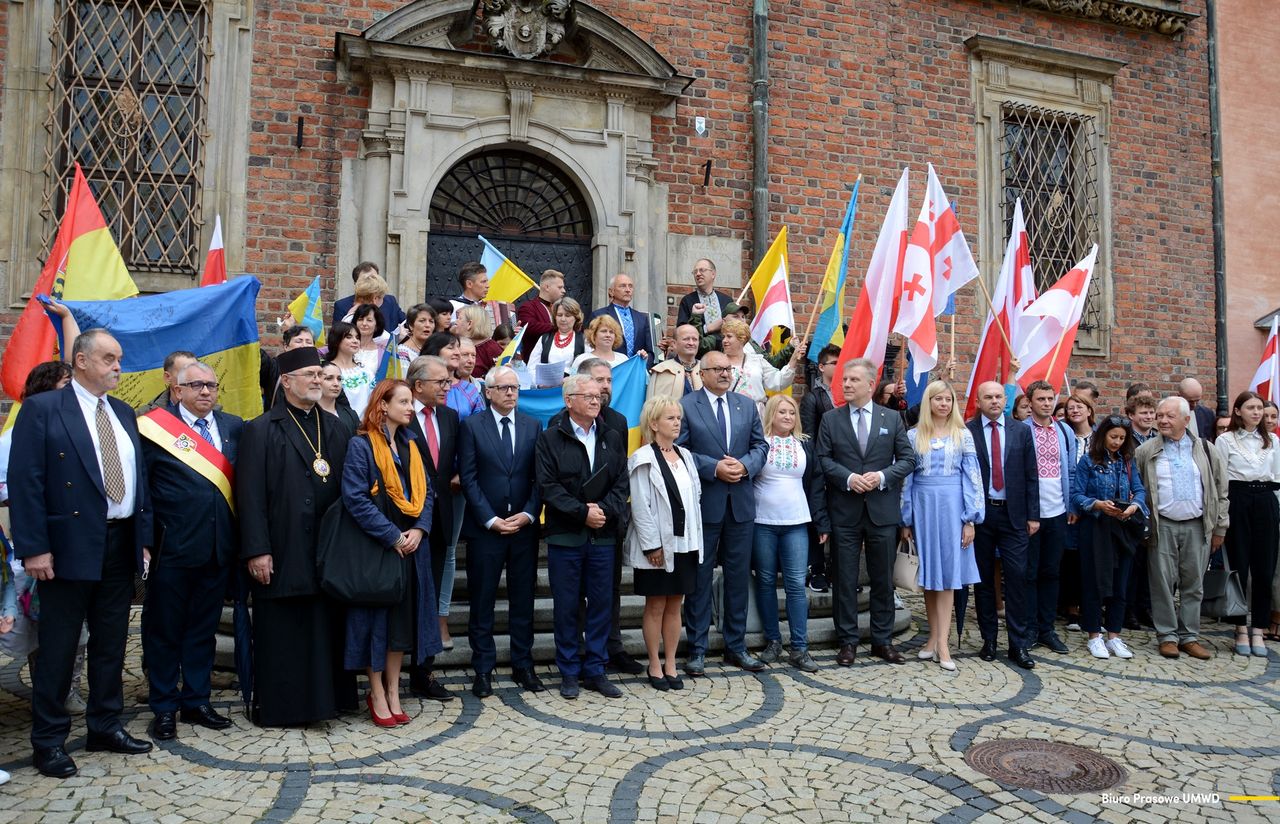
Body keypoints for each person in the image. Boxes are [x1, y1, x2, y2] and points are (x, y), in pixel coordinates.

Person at [10, 329, 156, 778]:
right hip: (67, 546)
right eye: (109, 358)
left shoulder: (124, 413)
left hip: (119, 541)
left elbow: (139, 481)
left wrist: (144, 538)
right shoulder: (43, 409)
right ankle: (49, 740)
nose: (118, 366)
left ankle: (105, 725)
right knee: (59, 647)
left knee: (112, 643)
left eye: (119, 358)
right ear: (81, 361)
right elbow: (26, 483)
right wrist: (35, 548)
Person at [237, 347, 354, 726]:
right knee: (285, 632)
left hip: (327, 549)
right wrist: (257, 550)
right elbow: (250, 496)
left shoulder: (336, 427)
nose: (318, 380)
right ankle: (283, 707)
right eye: (310, 375)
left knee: (324, 630)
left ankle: (327, 704)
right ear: (286, 381)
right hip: (283, 548)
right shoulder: (260, 429)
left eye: (320, 375)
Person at [138, 361, 243, 741]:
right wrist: (145, 542)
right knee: (165, 631)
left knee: (202, 630)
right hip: (172, 549)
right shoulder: (153, 428)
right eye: (196, 385)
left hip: (218, 550)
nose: (205, 392)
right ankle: (164, 705)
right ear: (177, 390)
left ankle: (196, 700)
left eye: (212, 386)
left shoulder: (233, 427)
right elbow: (143, 490)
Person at [342, 380, 441, 726]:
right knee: (375, 623)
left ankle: (394, 690)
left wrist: (419, 529)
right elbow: (355, 498)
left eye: (411, 402)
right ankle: (377, 691)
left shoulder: (412, 444)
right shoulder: (361, 446)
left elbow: (428, 493)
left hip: (413, 547)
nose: (411, 408)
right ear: (382, 405)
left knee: (400, 623)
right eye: (403, 401)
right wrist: (393, 537)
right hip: (379, 548)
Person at [816, 358, 917, 665]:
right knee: (845, 579)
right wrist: (848, 478)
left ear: (871, 385)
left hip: (881, 511)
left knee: (883, 579)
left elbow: (908, 459)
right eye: (844, 380)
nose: (846, 384)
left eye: (853, 380)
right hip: (845, 511)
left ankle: (882, 641)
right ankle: (847, 641)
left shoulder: (891, 419)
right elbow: (823, 458)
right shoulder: (831, 419)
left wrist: (883, 476)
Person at [536, 373, 630, 699]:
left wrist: (602, 510)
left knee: (602, 603)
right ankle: (569, 671)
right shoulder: (551, 437)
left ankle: (596, 669)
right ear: (569, 400)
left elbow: (621, 483)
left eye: (597, 396)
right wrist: (581, 513)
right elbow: (548, 487)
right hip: (566, 536)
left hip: (603, 535)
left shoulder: (612, 436)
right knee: (566, 606)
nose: (595, 400)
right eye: (587, 395)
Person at [676, 350, 770, 674]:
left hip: (741, 506)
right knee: (700, 579)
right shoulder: (688, 406)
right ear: (702, 374)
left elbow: (761, 446)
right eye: (717, 369)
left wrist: (744, 466)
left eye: (728, 368)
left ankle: (736, 646)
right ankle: (698, 648)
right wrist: (714, 467)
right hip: (707, 504)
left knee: (737, 578)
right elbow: (681, 451)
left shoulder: (745, 405)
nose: (725, 373)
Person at [457, 365, 545, 697]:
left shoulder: (533, 426)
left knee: (523, 600)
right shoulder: (472, 427)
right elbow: (468, 477)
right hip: (487, 530)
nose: (511, 393)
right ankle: (483, 668)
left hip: (523, 529)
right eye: (504, 388)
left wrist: (528, 513)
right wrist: (489, 519)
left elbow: (540, 477)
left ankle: (523, 664)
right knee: (483, 601)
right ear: (488, 392)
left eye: (515, 388)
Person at [1135, 396, 1228, 660]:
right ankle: (1167, 636)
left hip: (1197, 526)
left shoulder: (1207, 450)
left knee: (1194, 584)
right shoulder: (1147, 451)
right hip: (1162, 525)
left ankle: (1189, 636)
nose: (1162, 420)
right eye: (1160, 415)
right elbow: (1139, 490)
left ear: (1186, 420)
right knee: (1162, 583)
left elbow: (1222, 490)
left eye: (1169, 416)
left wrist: (1220, 526)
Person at [901, 381, 984, 672]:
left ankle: (944, 643)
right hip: (923, 505)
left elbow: (972, 478)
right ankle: (932, 639)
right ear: (929, 402)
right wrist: (906, 518)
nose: (944, 404)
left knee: (948, 575)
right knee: (929, 573)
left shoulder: (963, 435)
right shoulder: (913, 435)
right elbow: (907, 479)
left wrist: (970, 518)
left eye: (948, 399)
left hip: (952, 506)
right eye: (938, 399)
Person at [627, 396, 702, 690]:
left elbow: (694, 498)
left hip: (685, 543)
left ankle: (671, 662)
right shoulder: (643, 458)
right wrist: (651, 545)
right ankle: (654, 664)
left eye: (678, 418)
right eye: (671, 418)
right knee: (656, 604)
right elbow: (640, 507)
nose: (677, 423)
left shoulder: (686, 455)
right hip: (657, 546)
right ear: (654, 423)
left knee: (676, 604)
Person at [751, 394, 828, 672]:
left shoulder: (805, 444)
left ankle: (800, 647)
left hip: (797, 522)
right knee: (766, 581)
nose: (787, 417)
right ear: (770, 414)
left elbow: (817, 483)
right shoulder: (758, 444)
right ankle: (773, 640)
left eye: (792, 412)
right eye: (781, 412)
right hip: (763, 523)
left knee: (796, 584)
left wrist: (821, 522)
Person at [967, 381, 1040, 668]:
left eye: (999, 396)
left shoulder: (1021, 430)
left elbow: (1031, 473)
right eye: (989, 397)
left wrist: (1033, 515)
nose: (995, 401)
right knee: (984, 581)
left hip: (1014, 516)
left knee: (1017, 578)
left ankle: (1018, 645)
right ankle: (989, 641)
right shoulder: (968, 432)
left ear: (1004, 400)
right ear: (979, 400)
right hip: (982, 515)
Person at [403, 355, 460, 700]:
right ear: (418, 384)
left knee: (431, 595)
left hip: (440, 521)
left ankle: (423, 672)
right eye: (441, 381)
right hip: (406, 523)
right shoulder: (399, 415)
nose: (447, 386)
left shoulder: (450, 417)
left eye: (449, 380)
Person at [1070, 415, 1148, 660]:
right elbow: (1076, 495)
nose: (1116, 442)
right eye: (1113, 436)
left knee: (1120, 582)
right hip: (1097, 528)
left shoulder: (1127, 461)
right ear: (1103, 435)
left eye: (1122, 438)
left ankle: (1114, 635)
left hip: (1122, 527)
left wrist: (1134, 506)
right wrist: (1097, 505)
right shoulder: (1088, 461)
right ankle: (1094, 635)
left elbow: (1139, 490)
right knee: (1095, 582)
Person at [1215, 390, 1280, 657]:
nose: (1257, 413)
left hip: (1266, 498)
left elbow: (1277, 475)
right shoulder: (1226, 440)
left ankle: (1259, 628)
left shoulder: (1272, 440)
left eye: (1260, 409)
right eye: (1251, 408)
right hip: (1238, 499)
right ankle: (1240, 626)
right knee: (1240, 565)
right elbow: (1220, 478)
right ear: (1238, 411)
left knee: (1264, 568)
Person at [1022, 380, 1078, 665]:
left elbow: (1069, 469)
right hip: (1032, 513)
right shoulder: (1022, 430)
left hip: (1057, 510)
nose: (1046, 403)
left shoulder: (1064, 431)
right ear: (1030, 402)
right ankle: (1030, 627)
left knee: (1051, 571)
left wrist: (1069, 505)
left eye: (1050, 398)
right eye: (1041, 399)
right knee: (1029, 572)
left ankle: (1047, 628)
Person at [800, 344, 840, 594]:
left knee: (840, 520)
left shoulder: (848, 396)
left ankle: (839, 572)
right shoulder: (813, 397)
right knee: (817, 518)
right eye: (835, 362)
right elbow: (808, 435)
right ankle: (817, 570)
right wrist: (819, 467)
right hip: (821, 466)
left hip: (846, 468)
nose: (839, 366)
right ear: (823, 367)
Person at [719, 317, 801, 418]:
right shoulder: (717, 362)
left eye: (729, 336)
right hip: (728, 413)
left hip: (755, 414)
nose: (724, 340)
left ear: (742, 339)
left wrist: (793, 359)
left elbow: (778, 381)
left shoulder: (757, 361)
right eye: (723, 337)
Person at [589, 273, 653, 363]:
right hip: (609, 368)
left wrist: (643, 365)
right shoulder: (599, 315)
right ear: (611, 291)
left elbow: (650, 351)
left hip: (636, 371)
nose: (628, 290)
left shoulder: (641, 318)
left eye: (630, 286)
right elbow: (591, 346)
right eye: (623, 286)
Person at [526, 297, 586, 383]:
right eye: (559, 315)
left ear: (576, 318)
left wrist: (572, 379)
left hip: (572, 389)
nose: (563, 319)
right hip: (547, 390)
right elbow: (531, 367)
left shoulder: (584, 340)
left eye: (568, 315)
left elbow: (589, 369)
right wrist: (538, 383)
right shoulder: (544, 339)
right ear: (555, 317)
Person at [333, 261, 406, 332]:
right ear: (356, 284)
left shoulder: (390, 300)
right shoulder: (342, 306)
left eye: (374, 278)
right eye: (366, 280)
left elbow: (406, 322)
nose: (371, 283)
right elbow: (337, 336)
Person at [326, 320, 376, 418]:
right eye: (349, 337)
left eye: (357, 337)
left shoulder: (366, 372)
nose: (355, 341)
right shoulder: (327, 371)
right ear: (336, 340)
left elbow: (374, 401)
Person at [516, 269, 566, 360]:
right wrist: (559, 326)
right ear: (547, 287)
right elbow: (530, 327)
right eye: (560, 287)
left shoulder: (561, 308)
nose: (564, 291)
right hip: (536, 362)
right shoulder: (528, 307)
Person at [676, 258, 733, 333]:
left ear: (713, 274)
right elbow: (681, 332)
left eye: (702, 270)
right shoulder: (687, 301)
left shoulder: (727, 301)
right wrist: (708, 328)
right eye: (695, 272)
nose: (698, 274)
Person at [647, 323, 703, 400]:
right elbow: (652, 407)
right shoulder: (662, 371)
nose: (691, 343)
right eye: (686, 339)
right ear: (674, 343)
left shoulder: (707, 369)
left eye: (695, 339)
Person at [455, 304, 503, 377]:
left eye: (459, 318)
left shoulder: (492, 349)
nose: (456, 322)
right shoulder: (455, 344)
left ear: (469, 324)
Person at [318, 361, 362, 438]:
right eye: (329, 378)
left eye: (339, 379)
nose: (336, 383)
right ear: (317, 381)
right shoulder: (309, 415)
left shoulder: (351, 415)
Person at [397, 303, 436, 374]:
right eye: (422, 321)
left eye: (431, 321)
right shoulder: (402, 352)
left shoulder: (434, 348)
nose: (427, 325)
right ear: (411, 326)